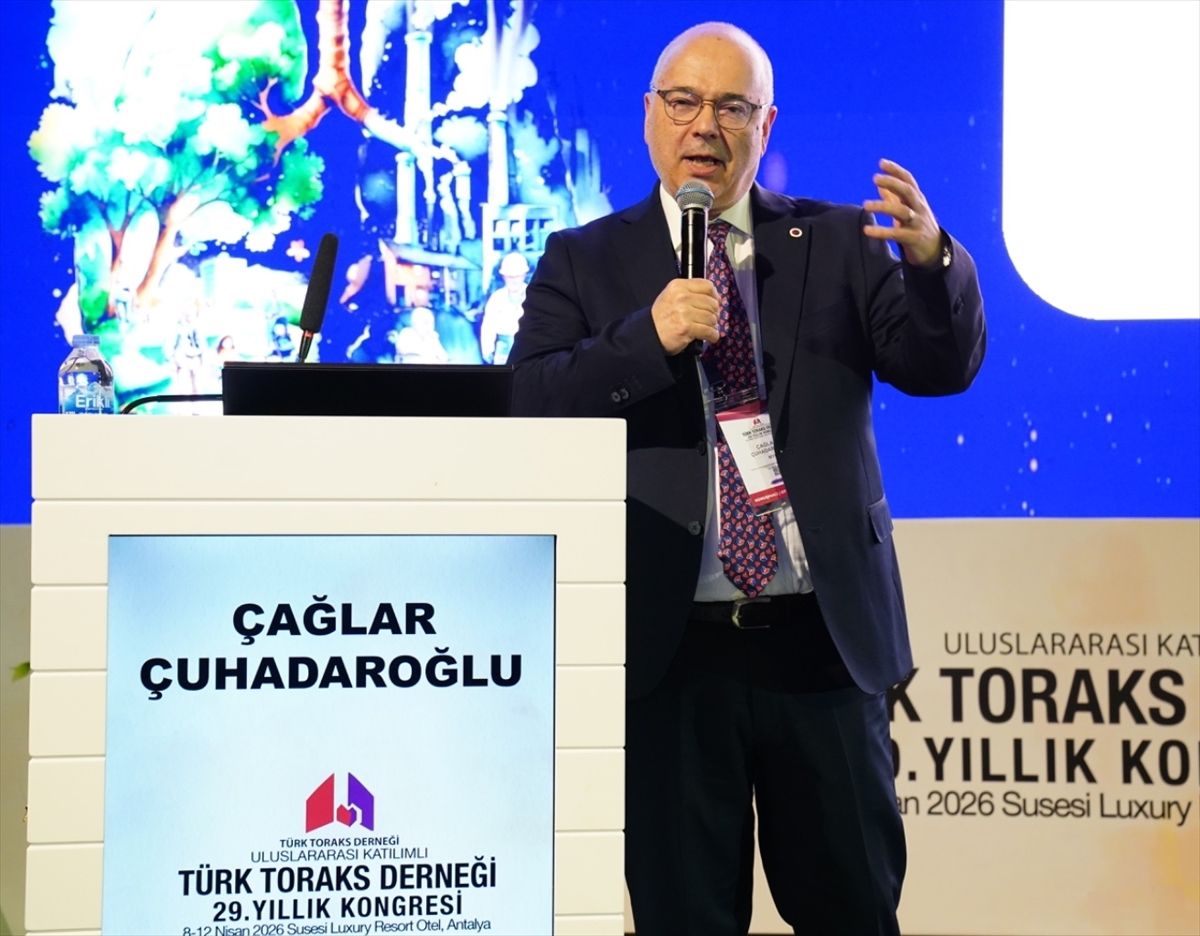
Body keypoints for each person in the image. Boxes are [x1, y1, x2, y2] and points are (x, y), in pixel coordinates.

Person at [509, 21, 985, 936]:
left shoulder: (837, 242)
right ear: (649, 116)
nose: (705, 125)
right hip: (669, 653)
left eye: (732, 107)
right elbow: (529, 402)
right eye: (684, 101)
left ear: (765, 127)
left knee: (853, 911)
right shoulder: (585, 258)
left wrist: (933, 264)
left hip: (821, 642)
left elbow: (940, 366)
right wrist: (645, 339)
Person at [480, 251, 531, 364]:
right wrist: (487, 350)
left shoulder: (533, 296)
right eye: (510, 276)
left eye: (517, 276)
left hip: (528, 350)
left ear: (524, 275)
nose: (514, 280)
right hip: (502, 351)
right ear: (503, 276)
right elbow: (488, 326)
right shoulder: (496, 298)